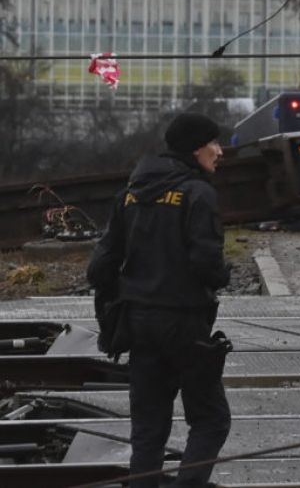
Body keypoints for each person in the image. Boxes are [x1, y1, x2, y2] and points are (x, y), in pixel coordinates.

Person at [87, 112, 232, 488]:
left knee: (148, 429)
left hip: (138, 324)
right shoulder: (198, 194)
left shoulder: (130, 194)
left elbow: (100, 267)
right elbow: (207, 263)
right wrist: (222, 276)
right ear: (198, 147)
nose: (220, 152)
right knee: (210, 418)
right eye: (215, 143)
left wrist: (111, 313)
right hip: (185, 324)